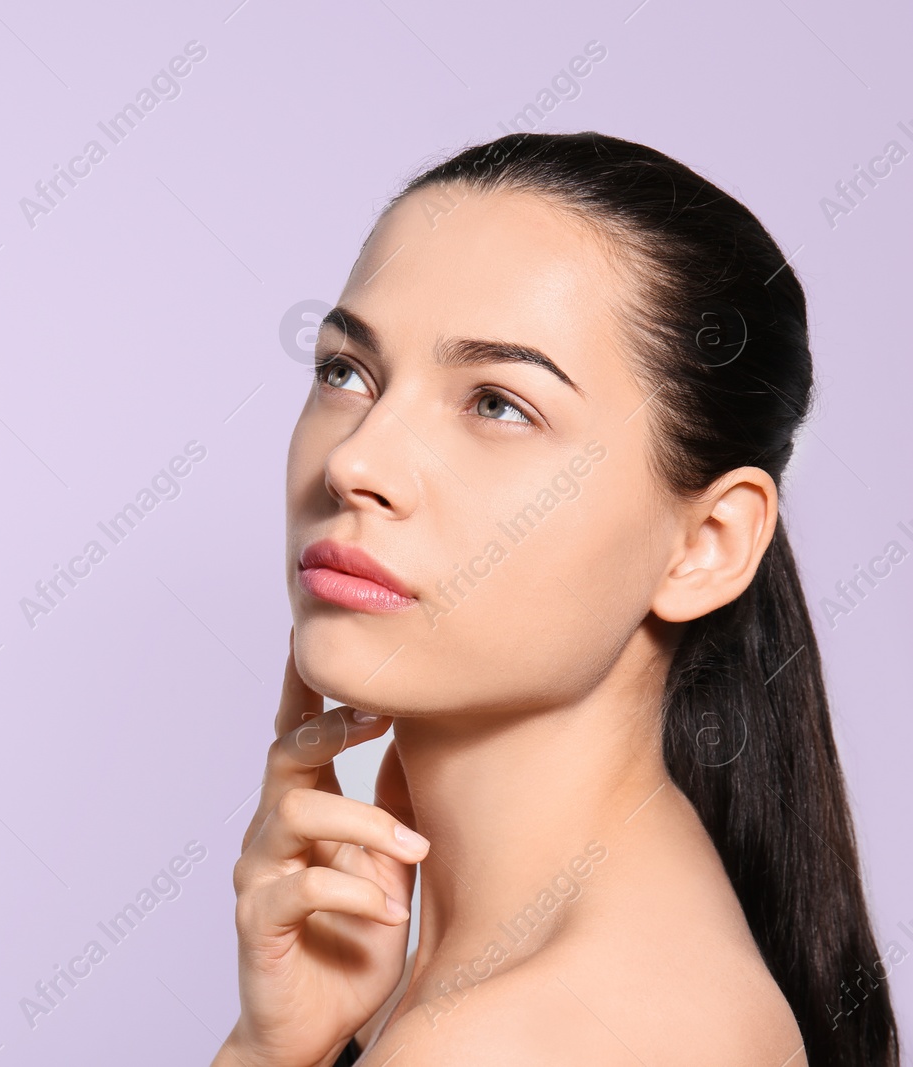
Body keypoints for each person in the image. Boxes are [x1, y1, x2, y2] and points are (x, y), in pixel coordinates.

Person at [211, 132, 900, 1066]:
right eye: (347, 372)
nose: (354, 461)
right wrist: (274, 1046)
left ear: (707, 544)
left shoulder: (519, 1036)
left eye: (498, 402)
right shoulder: (538, 986)